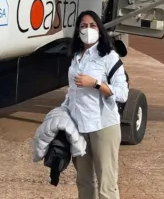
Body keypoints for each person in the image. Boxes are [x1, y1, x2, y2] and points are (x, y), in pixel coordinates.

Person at [61, 10, 129, 199]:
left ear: (99, 29)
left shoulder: (109, 57)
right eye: (83, 26)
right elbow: (72, 92)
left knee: (106, 185)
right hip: (79, 127)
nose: (88, 29)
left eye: (92, 25)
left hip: (103, 126)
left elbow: (122, 93)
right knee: (84, 182)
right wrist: (62, 114)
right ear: (77, 31)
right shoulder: (76, 58)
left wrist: (96, 84)